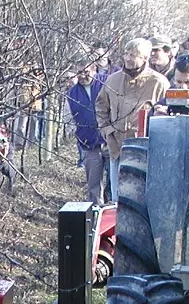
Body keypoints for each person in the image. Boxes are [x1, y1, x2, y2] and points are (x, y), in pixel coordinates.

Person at [96, 38, 170, 197]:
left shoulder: (159, 83)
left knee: (142, 199)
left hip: (146, 154)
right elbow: (101, 107)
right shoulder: (113, 80)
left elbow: (169, 117)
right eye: (126, 54)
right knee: (118, 199)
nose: (128, 58)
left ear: (145, 58)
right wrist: (107, 131)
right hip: (117, 149)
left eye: (133, 55)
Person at [67, 62, 106, 205]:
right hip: (89, 144)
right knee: (93, 185)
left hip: (111, 142)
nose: (82, 75)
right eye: (79, 72)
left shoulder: (106, 84)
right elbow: (69, 117)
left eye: (86, 71)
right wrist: (77, 134)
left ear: (94, 69)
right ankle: (96, 216)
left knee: (115, 184)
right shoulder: (72, 93)